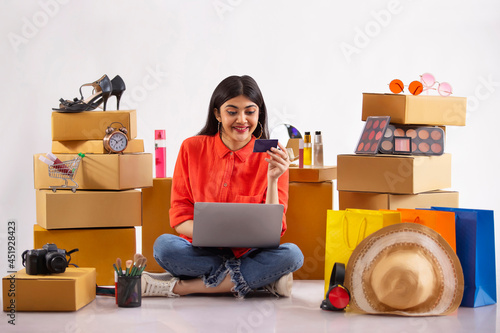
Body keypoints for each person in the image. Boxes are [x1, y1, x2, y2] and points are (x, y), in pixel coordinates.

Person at [142, 75, 304, 298]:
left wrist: (273, 178)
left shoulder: (274, 155)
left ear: (259, 114)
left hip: (250, 253)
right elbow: (179, 219)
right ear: (217, 113)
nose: (242, 120)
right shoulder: (191, 148)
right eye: (232, 111)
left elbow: (275, 229)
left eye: (249, 111)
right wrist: (214, 237)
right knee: (165, 247)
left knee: (292, 255)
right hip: (202, 252)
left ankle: (184, 287)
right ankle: (258, 281)